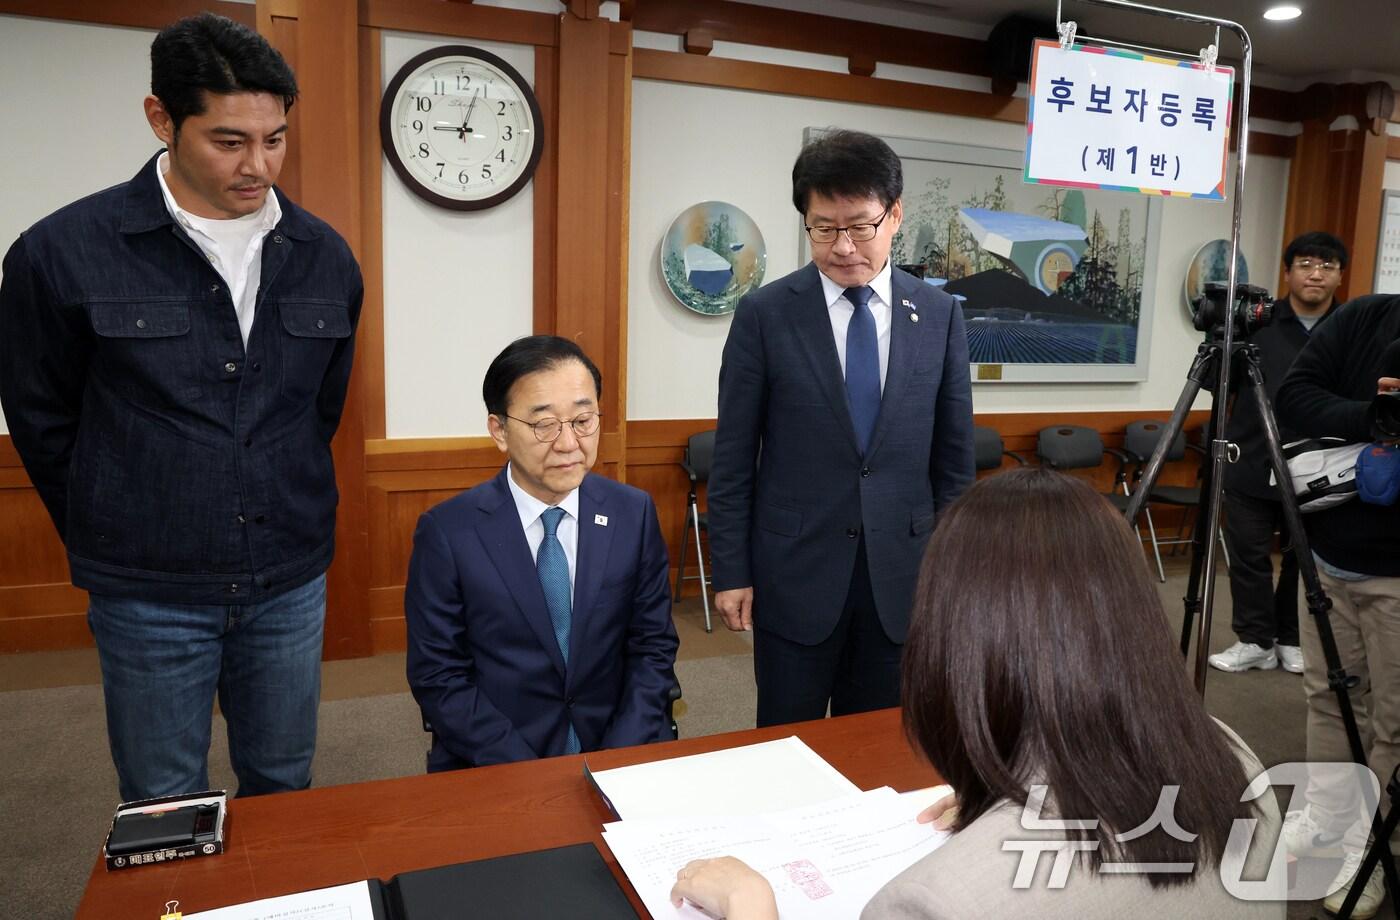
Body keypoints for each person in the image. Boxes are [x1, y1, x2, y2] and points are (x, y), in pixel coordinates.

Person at [0, 14, 362, 801]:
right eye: (229, 141)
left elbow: (315, 412)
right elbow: (41, 418)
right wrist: (117, 519)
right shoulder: (61, 252)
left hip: (289, 578)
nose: (258, 165)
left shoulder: (325, 257)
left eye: (275, 139)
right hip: (147, 588)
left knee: (284, 786)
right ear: (161, 119)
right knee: (165, 802)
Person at [670, 468, 1283, 919]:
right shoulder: (1237, 761)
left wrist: (751, 905)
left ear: (955, 641)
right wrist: (1004, 796)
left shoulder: (934, 902)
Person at [707, 129, 975, 727]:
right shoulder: (765, 315)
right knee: (786, 745)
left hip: (903, 577)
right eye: (823, 229)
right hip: (793, 573)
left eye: (860, 226)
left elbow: (954, 462)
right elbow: (733, 456)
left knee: (881, 745)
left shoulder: (939, 316)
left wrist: (955, 576)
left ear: (895, 215)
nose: (843, 247)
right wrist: (732, 571)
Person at [404, 336, 679, 771]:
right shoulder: (449, 532)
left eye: (583, 420)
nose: (569, 443)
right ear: (499, 430)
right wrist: (527, 772)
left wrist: (617, 757)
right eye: (544, 424)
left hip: (620, 746)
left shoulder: (633, 512)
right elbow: (439, 675)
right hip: (500, 759)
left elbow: (653, 647)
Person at [1275, 292, 1400, 918]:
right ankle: (1326, 815)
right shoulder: (1365, 317)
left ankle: (1375, 846)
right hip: (1328, 556)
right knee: (1328, 697)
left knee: (1394, 723)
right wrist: (1373, 417)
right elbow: (1293, 396)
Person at [1209, 232, 1348, 675]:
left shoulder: (1350, 327)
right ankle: (1255, 640)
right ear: (1287, 273)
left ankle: (1291, 637)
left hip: (1317, 465)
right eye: (1305, 264)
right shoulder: (1258, 322)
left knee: (1301, 561)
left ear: (1339, 276)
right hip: (1250, 458)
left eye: (1327, 266)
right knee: (1248, 557)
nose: (1316, 274)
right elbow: (1218, 384)